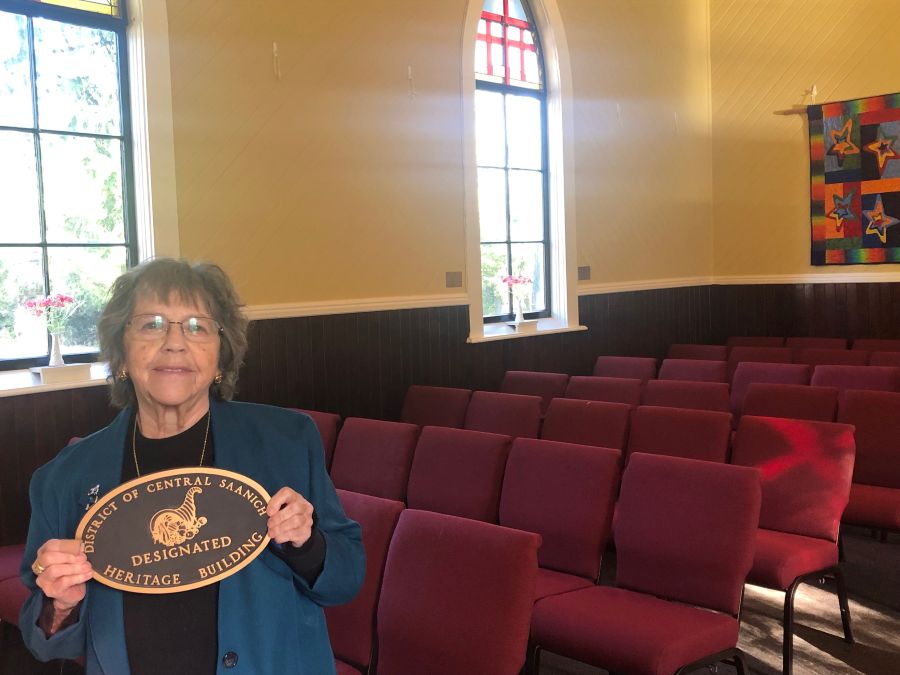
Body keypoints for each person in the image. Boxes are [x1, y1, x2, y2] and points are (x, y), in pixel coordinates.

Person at [20, 258, 364, 674]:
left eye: (197, 326)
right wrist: (59, 604)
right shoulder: (64, 478)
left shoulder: (287, 441)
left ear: (220, 359)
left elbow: (345, 579)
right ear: (121, 352)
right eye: (151, 324)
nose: (175, 342)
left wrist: (306, 544)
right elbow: (45, 641)